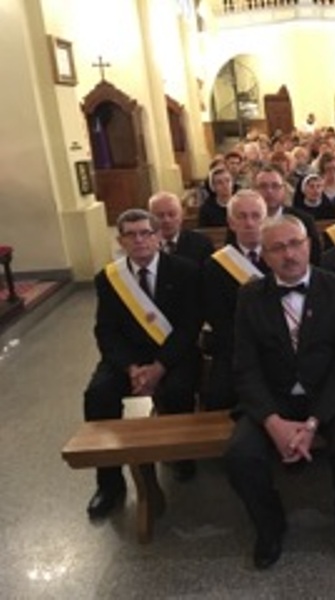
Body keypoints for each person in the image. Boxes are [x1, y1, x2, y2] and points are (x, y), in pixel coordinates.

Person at [225, 215, 335, 569]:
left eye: (295, 244)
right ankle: (269, 524)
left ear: (309, 246)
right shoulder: (249, 296)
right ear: (264, 256)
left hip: (329, 397)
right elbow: (245, 368)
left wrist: (314, 422)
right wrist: (273, 422)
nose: (289, 254)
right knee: (240, 455)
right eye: (277, 248)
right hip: (273, 399)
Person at [83, 209, 202, 519]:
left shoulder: (185, 271)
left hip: (173, 354)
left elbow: (189, 327)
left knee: (178, 390)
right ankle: (109, 483)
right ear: (120, 240)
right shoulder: (109, 279)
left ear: (158, 236)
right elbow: (106, 331)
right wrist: (131, 369)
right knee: (97, 395)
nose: (139, 240)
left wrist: (160, 366)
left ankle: (181, 456)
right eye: (131, 234)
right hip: (129, 358)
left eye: (145, 233)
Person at [202, 190, 269, 410]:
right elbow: (218, 318)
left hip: (280, 345)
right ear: (231, 222)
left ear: (265, 219)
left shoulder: (281, 257)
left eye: (256, 215)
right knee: (218, 397)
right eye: (242, 216)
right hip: (235, 347)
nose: (249, 223)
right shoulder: (215, 266)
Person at [253, 166, 322, 265]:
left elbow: (315, 259)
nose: (269, 191)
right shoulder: (245, 222)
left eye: (275, 186)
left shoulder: (304, 220)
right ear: (254, 190)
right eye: (263, 186)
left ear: (284, 190)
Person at [148, 191, 214, 266]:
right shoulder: (144, 246)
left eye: (172, 214)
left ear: (181, 215)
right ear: (150, 218)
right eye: (160, 215)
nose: (166, 220)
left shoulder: (201, 243)